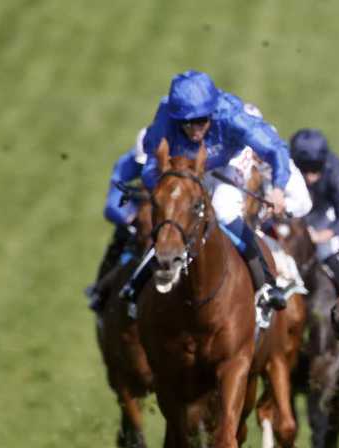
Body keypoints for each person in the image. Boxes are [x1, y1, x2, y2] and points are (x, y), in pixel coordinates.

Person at [118, 70, 312, 320]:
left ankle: (265, 282)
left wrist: (276, 189)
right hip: (185, 169)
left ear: (212, 112)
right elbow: (151, 168)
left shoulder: (231, 115)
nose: (194, 129)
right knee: (174, 211)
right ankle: (139, 279)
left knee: (223, 209)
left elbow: (274, 149)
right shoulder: (166, 116)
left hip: (228, 162)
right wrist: (167, 189)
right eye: (187, 123)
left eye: (201, 121)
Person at [85, 128, 148, 313]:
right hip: (136, 218)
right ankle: (101, 290)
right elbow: (112, 204)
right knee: (120, 240)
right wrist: (130, 218)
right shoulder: (126, 164)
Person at [288, 128, 339, 280]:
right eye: (304, 169)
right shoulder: (285, 165)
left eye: (316, 168)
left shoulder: (336, 171)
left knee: (330, 253)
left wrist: (320, 236)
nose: (310, 177)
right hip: (292, 215)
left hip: (320, 216)